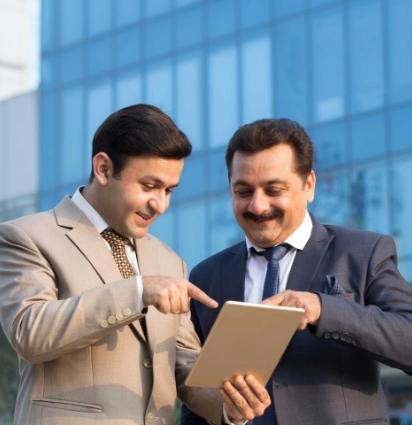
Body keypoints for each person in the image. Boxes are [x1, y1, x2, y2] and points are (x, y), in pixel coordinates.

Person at [0, 104, 270, 425]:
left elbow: (183, 364)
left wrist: (229, 406)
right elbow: (30, 332)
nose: (160, 204)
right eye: (148, 186)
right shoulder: (27, 236)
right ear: (103, 169)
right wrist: (138, 292)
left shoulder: (169, 261)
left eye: (169, 190)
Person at [181, 118, 412, 425]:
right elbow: (196, 395)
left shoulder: (363, 252)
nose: (257, 205)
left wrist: (323, 308)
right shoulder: (205, 276)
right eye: (243, 191)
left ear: (309, 185)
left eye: (273, 189)